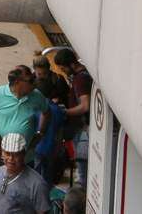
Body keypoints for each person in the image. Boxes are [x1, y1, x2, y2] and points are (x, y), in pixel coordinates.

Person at [0, 66, 48, 148]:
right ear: (17, 82)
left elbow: (47, 112)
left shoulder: (36, 95)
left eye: (34, 78)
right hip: (1, 157)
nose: (35, 83)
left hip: (27, 157)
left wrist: (40, 132)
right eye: (30, 81)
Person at [53, 48, 93, 185]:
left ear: (71, 64)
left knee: (82, 170)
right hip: (82, 130)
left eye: (63, 68)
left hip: (83, 131)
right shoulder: (84, 74)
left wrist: (64, 112)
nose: (63, 71)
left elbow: (85, 106)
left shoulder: (80, 80)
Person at [0, 132, 51, 213]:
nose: (11, 158)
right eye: (7, 153)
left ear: (23, 154)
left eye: (16, 154)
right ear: (2, 153)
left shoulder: (37, 184)